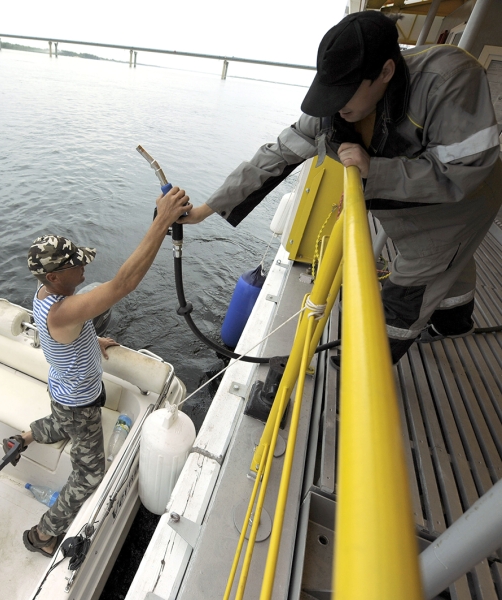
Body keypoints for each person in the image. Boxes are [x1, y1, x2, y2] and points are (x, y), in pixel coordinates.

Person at [178, 11, 502, 365]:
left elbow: (464, 173)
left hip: (458, 208)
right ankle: (454, 325)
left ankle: (363, 364)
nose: (333, 105)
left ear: (385, 73)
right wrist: (204, 211)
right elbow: (276, 155)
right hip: (406, 205)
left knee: (412, 287)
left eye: (343, 93)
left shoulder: (450, 78)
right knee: (452, 268)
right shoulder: (336, 104)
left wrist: (374, 170)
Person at [3, 186, 191, 557]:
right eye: (77, 266)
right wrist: (163, 220)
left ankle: (23, 437)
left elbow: (69, 330)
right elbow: (123, 284)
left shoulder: (46, 296)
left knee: (61, 420)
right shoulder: (62, 313)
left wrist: (93, 340)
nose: (85, 268)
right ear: (55, 278)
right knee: (89, 474)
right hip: (78, 402)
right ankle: (42, 535)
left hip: (61, 390)